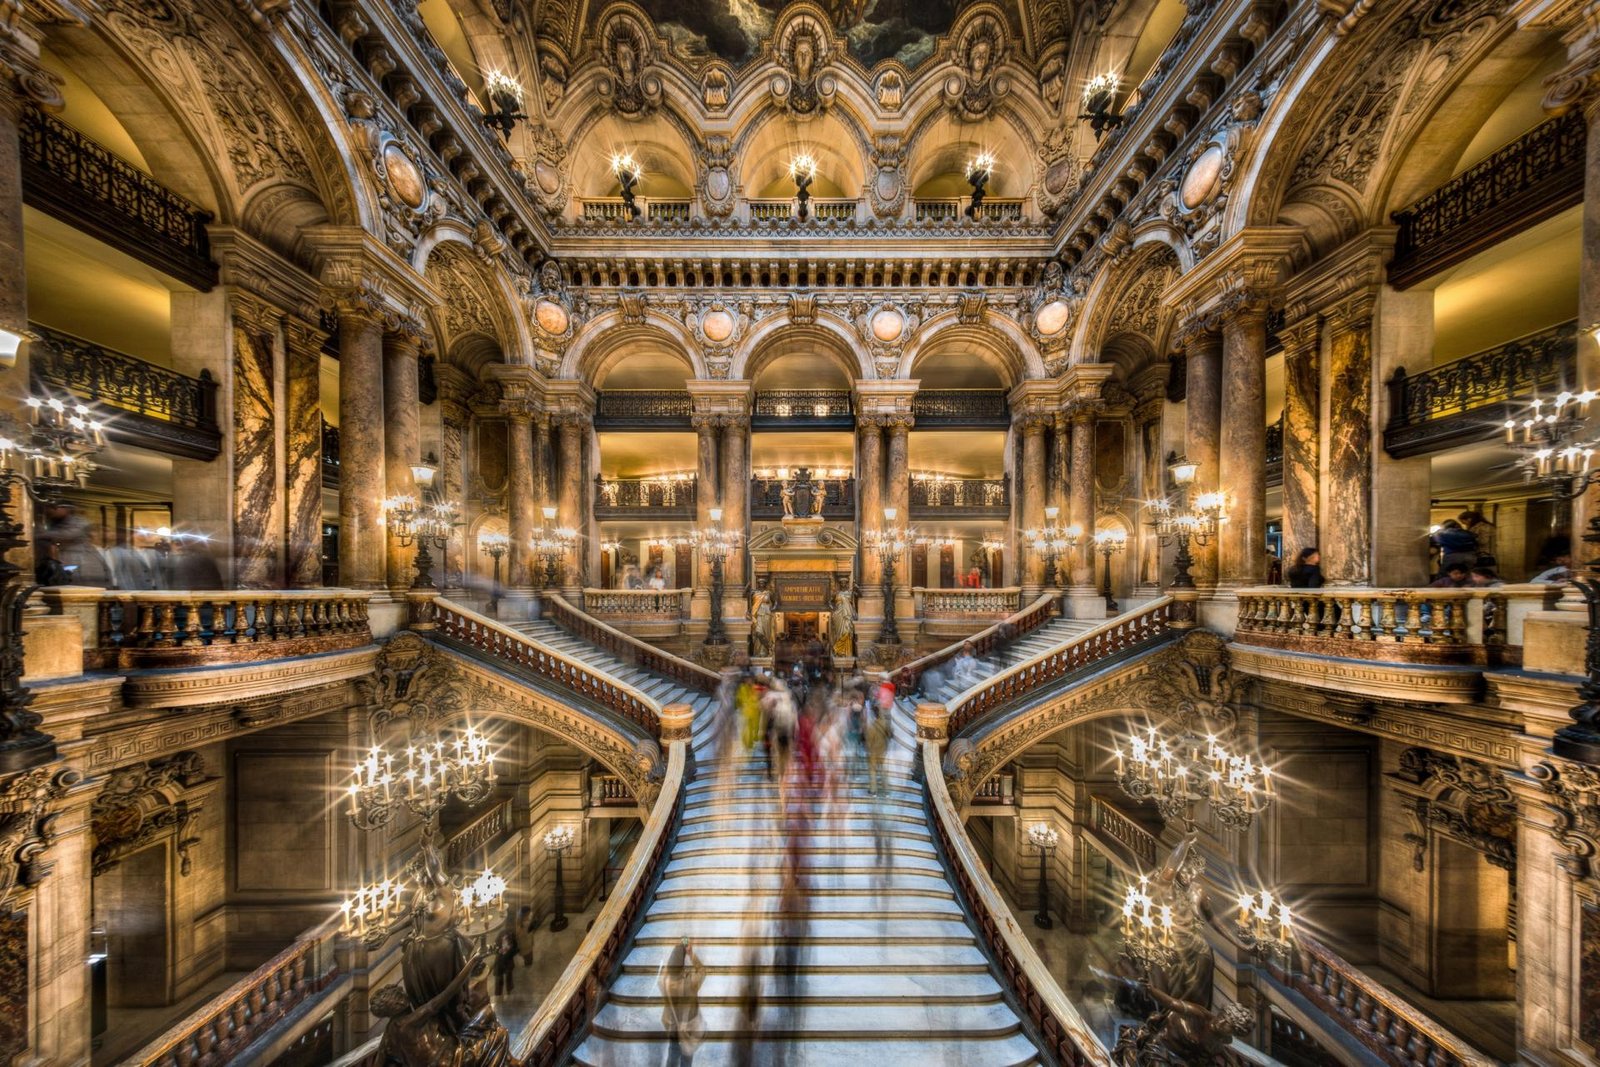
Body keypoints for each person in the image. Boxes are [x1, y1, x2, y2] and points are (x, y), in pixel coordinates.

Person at [658, 937, 706, 1066]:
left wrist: (676, 953)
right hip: (688, 1027)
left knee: (672, 1053)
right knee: (686, 1057)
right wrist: (691, 954)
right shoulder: (690, 983)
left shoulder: (663, 982)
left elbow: (667, 971)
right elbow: (702, 971)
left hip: (672, 1025)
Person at [492, 917, 517, 996]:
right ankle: (498, 994)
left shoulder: (512, 935)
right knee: (499, 978)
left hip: (508, 959)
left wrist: (510, 950)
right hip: (500, 959)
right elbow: (496, 943)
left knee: (509, 975)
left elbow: (515, 947)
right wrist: (499, 950)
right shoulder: (502, 933)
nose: (510, 929)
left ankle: (509, 990)